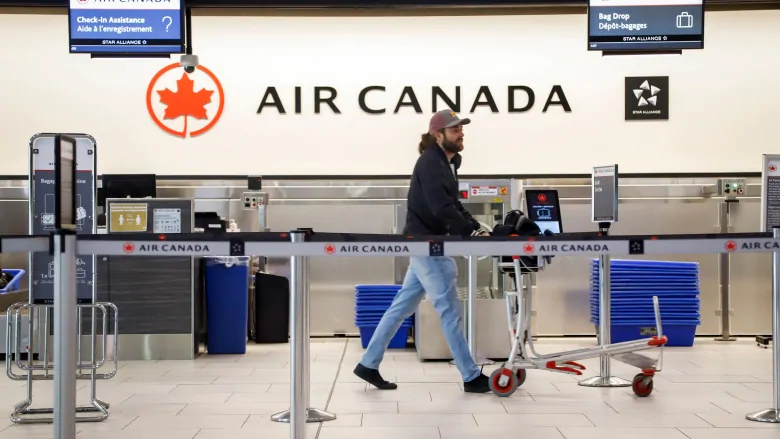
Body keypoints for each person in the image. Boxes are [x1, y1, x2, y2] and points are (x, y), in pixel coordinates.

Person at [353, 109, 491, 393]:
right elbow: (441, 206)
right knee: (450, 310)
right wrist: (469, 230)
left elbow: (453, 204)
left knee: (400, 307)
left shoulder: (447, 163)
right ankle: (470, 376)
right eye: (455, 130)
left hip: (426, 242)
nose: (461, 133)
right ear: (437, 135)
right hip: (427, 244)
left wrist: (474, 225)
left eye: (461, 129)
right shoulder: (430, 163)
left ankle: (368, 363)